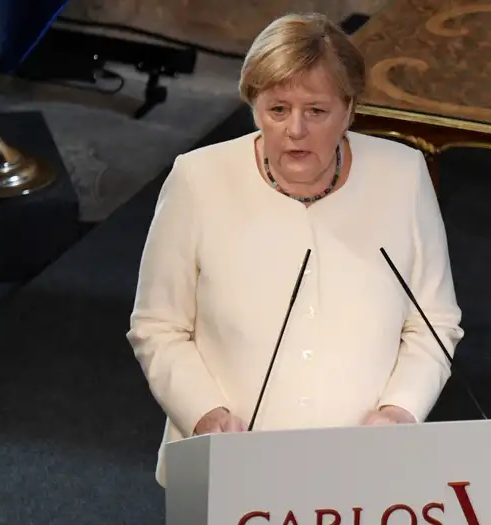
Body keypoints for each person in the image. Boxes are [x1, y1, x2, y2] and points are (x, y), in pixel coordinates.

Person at [127, 12, 464, 487]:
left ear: (349, 110)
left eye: (317, 111)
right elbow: (158, 326)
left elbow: (434, 324)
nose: (295, 129)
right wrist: (204, 413)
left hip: (363, 470)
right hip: (232, 465)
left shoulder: (403, 176)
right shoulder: (197, 180)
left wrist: (400, 410)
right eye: (278, 109)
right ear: (254, 108)